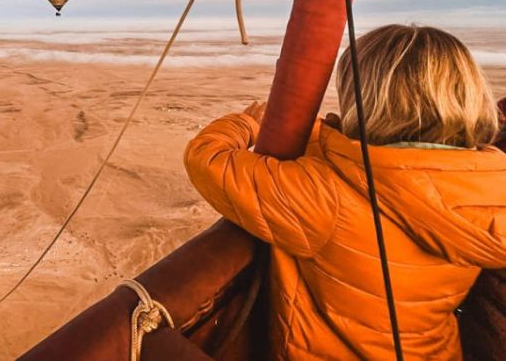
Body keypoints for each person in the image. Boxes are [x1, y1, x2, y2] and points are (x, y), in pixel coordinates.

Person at [184, 24, 506, 359]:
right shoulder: (489, 185)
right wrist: (318, 132)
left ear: (365, 98)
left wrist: (246, 123)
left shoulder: (328, 196)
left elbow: (207, 159)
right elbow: (394, 166)